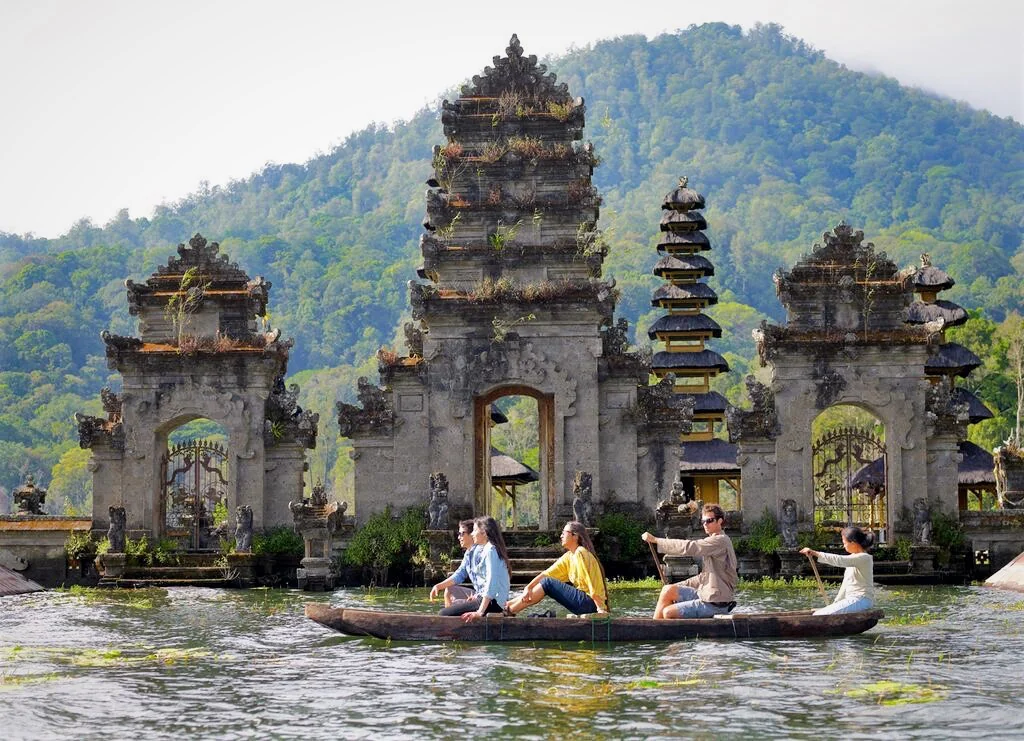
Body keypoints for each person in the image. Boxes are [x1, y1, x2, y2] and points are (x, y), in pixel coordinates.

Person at [641, 504, 737, 619]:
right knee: (668, 590)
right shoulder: (713, 542)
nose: (705, 524)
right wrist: (676, 585)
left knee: (668, 612)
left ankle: (656, 629)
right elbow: (703, 577)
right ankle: (654, 627)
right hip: (704, 595)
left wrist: (656, 540)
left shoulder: (720, 541)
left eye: (709, 520)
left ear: (720, 521)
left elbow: (690, 546)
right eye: (703, 521)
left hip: (716, 603)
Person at [505, 520, 609, 616]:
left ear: (575, 536)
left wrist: (600, 608)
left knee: (548, 583)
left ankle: (510, 610)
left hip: (591, 604)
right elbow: (547, 574)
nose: (561, 536)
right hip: (584, 603)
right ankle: (507, 606)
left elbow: (592, 584)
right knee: (546, 582)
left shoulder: (581, 552)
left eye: (564, 533)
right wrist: (528, 587)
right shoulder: (569, 556)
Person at [439, 516, 512, 622]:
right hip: (490, 601)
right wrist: (477, 596)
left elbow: (492, 582)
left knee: (443, 614)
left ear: (484, 533)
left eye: (475, 530)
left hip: (494, 603)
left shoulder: (491, 550)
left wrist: (480, 612)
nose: (472, 534)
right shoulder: (488, 549)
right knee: (452, 608)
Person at [801, 526, 875, 615]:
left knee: (818, 615)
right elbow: (845, 585)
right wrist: (836, 603)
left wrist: (816, 553)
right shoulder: (853, 558)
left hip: (861, 600)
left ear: (853, 543)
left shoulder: (864, 558)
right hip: (853, 600)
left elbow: (839, 560)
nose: (843, 546)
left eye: (844, 543)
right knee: (818, 613)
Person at [429, 520, 480, 609]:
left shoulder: (480, 553)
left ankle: (450, 617)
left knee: (449, 607)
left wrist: (476, 597)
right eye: (458, 534)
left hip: (486, 597)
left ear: (472, 535)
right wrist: (438, 586)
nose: (459, 537)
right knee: (449, 589)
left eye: (462, 534)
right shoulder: (468, 554)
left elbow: (489, 582)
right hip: (478, 593)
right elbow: (459, 575)